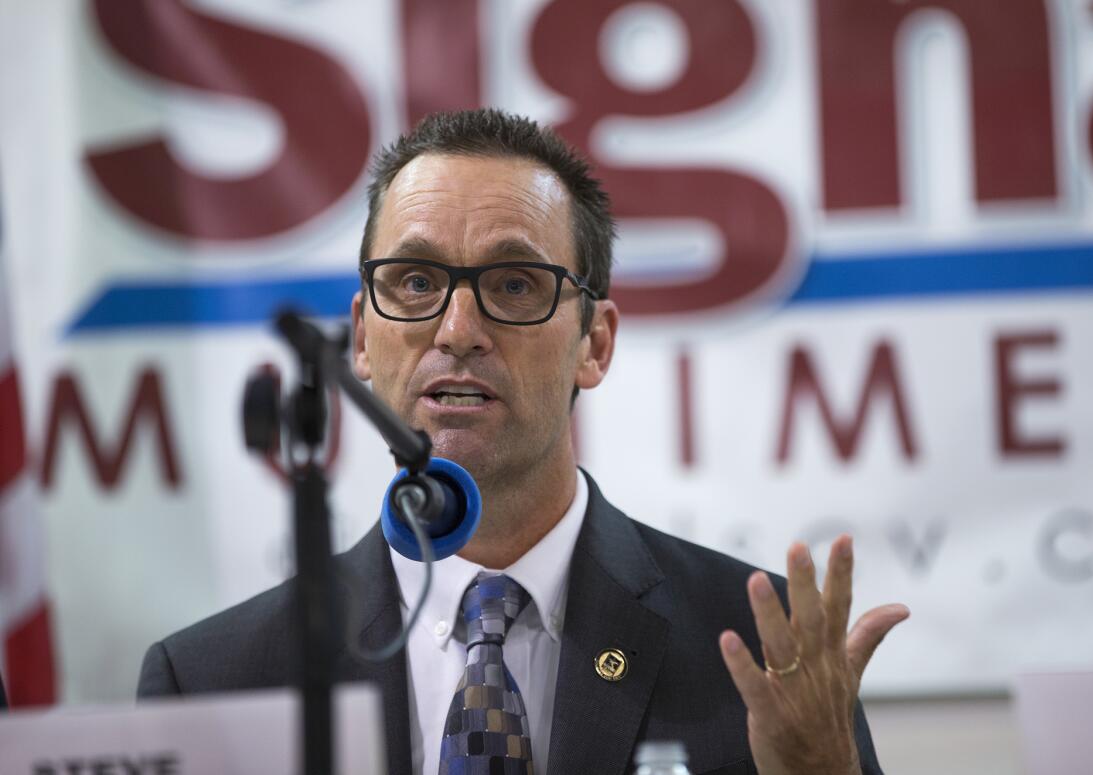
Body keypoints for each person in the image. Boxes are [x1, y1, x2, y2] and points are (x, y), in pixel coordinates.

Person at [138, 109, 909, 775]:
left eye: (513, 284)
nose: (457, 331)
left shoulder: (754, 645)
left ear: (594, 343)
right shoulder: (212, 681)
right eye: (413, 281)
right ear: (364, 336)